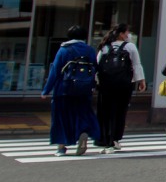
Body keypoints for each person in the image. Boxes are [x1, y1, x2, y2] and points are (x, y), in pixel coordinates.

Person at [42, 24, 101, 156]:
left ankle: (61, 147)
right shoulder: (90, 50)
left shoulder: (64, 50)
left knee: (61, 118)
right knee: (81, 114)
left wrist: (46, 90)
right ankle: (83, 132)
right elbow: (95, 69)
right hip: (84, 90)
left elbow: (55, 71)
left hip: (64, 90)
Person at [94, 24, 144, 153]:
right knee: (120, 112)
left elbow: (97, 65)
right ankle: (115, 138)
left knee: (105, 112)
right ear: (122, 34)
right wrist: (141, 81)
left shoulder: (105, 47)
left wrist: (96, 82)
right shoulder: (130, 47)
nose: (128, 35)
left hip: (106, 86)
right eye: (127, 32)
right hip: (124, 85)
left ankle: (105, 139)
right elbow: (136, 64)